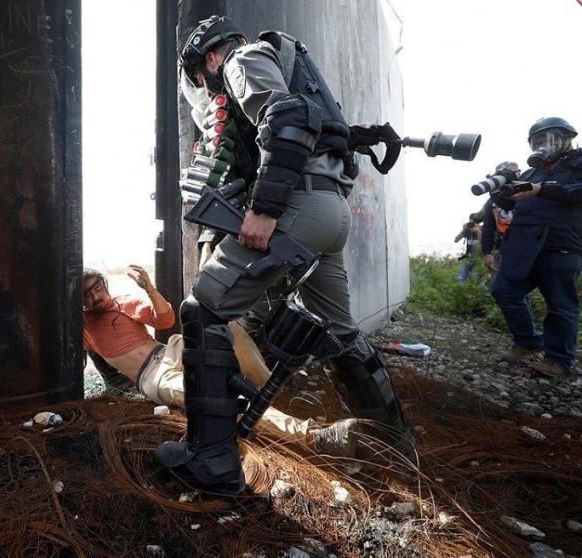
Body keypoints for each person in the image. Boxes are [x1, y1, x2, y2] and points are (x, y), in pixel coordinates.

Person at [157, 16, 414, 494]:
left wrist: (264, 210)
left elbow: (287, 119)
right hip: (329, 212)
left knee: (203, 309)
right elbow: (309, 126)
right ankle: (395, 448)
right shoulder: (286, 66)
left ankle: (211, 461)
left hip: (296, 206)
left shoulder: (240, 61)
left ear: (209, 57)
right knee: (340, 333)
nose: (204, 86)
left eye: (198, 76)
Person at [82, 267, 361, 456]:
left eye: (97, 288)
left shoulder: (124, 303)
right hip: (153, 377)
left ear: (105, 285)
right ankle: (314, 438)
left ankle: (272, 391)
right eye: (87, 295)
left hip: (170, 350)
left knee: (226, 329)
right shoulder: (84, 326)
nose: (95, 297)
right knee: (211, 396)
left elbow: (165, 320)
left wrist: (149, 289)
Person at [490, 117, 582, 378]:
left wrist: (540, 189)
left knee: (560, 304)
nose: (544, 145)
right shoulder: (531, 173)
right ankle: (527, 341)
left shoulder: (578, 163)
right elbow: (511, 205)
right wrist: (499, 190)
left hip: (560, 243)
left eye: (549, 139)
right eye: (538, 141)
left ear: (567, 139)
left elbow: (575, 191)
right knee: (504, 290)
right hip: (523, 244)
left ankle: (558, 360)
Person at [480, 162, 518, 276]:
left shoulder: (529, 192)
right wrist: (487, 252)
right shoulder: (492, 202)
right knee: (503, 283)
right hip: (505, 246)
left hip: (530, 245)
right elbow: (488, 227)